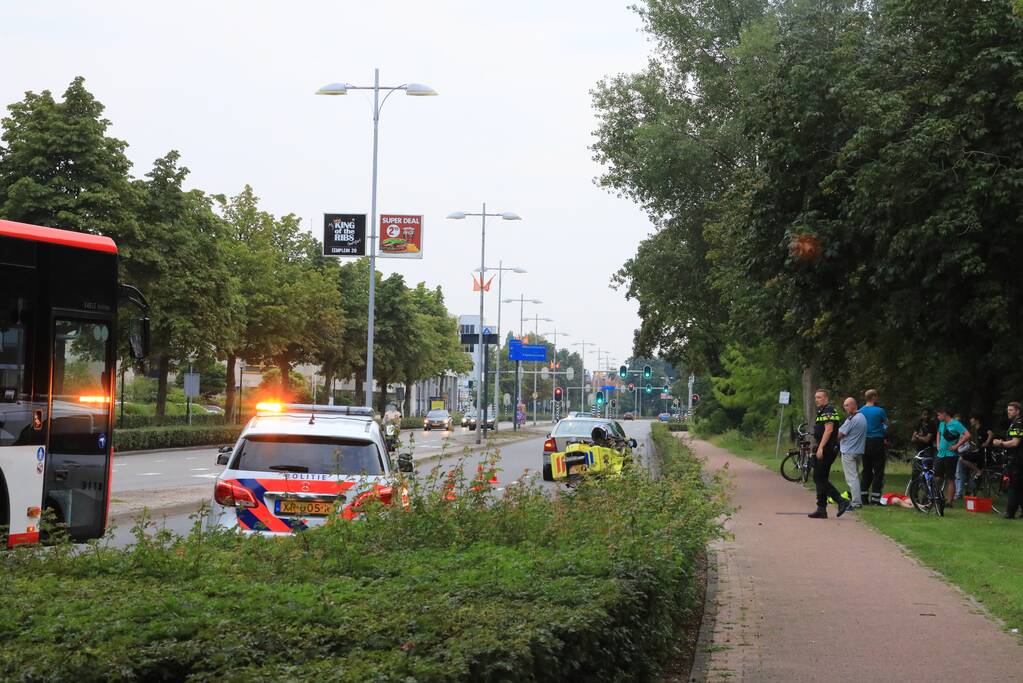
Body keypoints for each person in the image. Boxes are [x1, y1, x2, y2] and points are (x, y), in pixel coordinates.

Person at [808, 389, 851, 519]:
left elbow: (829, 430)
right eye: (815, 397)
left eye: (819, 397)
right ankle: (821, 508)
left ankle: (841, 500)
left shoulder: (829, 410)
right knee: (821, 478)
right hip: (825, 447)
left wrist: (821, 447)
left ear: (826, 398)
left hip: (826, 449)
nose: (817, 400)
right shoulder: (822, 411)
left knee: (818, 477)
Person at [992, 401, 1023, 520]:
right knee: (1019, 486)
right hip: (1015, 458)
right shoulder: (1014, 424)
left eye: (1011, 410)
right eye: (1008, 410)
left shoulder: (1019, 423)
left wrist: (1001, 443)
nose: (1008, 412)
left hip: (1017, 459)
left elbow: (1015, 442)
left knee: (1013, 486)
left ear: (1018, 411)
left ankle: (1010, 512)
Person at [935, 407, 971, 507]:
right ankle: (936, 497)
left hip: (951, 455)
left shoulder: (956, 424)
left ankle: (949, 502)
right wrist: (938, 444)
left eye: (939, 415)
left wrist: (956, 445)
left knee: (950, 478)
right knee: (937, 477)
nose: (937, 417)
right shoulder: (942, 424)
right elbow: (938, 433)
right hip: (940, 454)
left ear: (944, 414)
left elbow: (967, 435)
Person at [859, 389, 889, 505]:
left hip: (865, 442)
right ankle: (876, 499)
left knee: (866, 469)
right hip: (877, 441)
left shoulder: (860, 411)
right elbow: (887, 424)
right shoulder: (880, 411)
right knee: (878, 470)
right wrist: (882, 428)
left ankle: (863, 497)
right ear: (874, 397)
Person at [838, 397, 867, 511]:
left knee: (851, 478)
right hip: (858, 451)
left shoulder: (852, 419)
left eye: (847, 405)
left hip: (849, 452)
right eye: (844, 405)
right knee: (855, 476)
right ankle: (857, 500)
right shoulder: (862, 417)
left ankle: (856, 503)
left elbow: (839, 434)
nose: (845, 408)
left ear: (854, 405)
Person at [958, 413, 993, 498]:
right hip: (979, 451)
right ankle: (973, 493)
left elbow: (991, 433)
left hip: (984, 452)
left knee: (962, 458)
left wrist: (987, 443)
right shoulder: (975, 429)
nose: (970, 420)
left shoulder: (982, 427)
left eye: (972, 419)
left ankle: (977, 471)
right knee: (973, 470)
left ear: (976, 420)